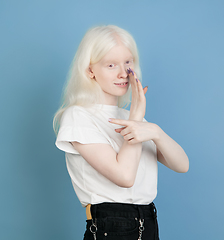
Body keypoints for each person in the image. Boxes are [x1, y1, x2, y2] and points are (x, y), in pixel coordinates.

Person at [53, 25, 189, 240]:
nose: (123, 73)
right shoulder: (78, 116)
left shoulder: (133, 118)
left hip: (149, 221)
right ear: (90, 70)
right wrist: (136, 118)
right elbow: (125, 176)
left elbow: (182, 165)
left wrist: (155, 131)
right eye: (110, 64)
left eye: (128, 62)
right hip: (111, 226)